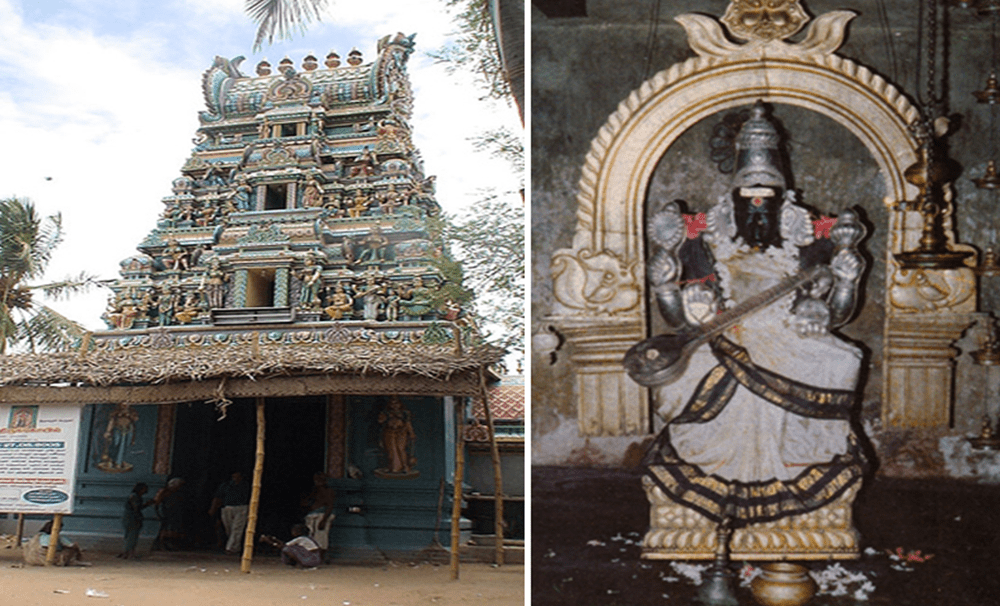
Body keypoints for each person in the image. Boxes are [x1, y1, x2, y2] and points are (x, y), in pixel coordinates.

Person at [626, 101, 868, 528]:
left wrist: (844, 285)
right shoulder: (706, 241)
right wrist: (665, 285)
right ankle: (706, 487)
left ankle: (801, 488)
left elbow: (838, 316)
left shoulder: (812, 240)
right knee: (686, 376)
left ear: (782, 199)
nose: (757, 204)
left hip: (789, 330)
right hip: (722, 332)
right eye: (748, 196)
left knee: (841, 360)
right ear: (733, 198)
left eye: (766, 196)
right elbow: (680, 324)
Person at [208, 471, 251, 555]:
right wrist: (213, 508)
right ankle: (235, 546)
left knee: (237, 528)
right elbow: (218, 497)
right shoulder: (226, 485)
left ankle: (231, 548)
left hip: (241, 507)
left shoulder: (245, 486)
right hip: (227, 507)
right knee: (229, 529)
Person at [300, 472, 336, 561]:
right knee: (311, 537)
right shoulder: (315, 491)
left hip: (321, 516)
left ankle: (320, 558)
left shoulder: (328, 491)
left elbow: (330, 506)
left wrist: (324, 520)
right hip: (313, 515)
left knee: (321, 538)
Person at [378, 397, 417, 475]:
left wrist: (411, 432)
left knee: (401, 449)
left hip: (401, 431)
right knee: (391, 449)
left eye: (396, 403)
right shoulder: (386, 412)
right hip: (389, 432)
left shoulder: (405, 413)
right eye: (392, 403)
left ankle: (405, 466)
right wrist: (385, 416)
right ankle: (392, 467)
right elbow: (380, 421)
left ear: (400, 404)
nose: (394, 405)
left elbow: (407, 423)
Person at [119, 482, 153, 559]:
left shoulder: (134, 496)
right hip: (133, 518)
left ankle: (126, 553)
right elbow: (136, 508)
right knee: (132, 536)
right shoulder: (135, 497)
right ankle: (130, 553)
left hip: (129, 518)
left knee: (128, 536)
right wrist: (147, 504)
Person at [153, 477, 186, 551]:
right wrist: (159, 514)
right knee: (165, 529)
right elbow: (157, 503)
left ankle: (168, 544)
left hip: (172, 513)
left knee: (171, 528)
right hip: (166, 513)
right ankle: (162, 544)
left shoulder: (175, 493)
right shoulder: (165, 492)